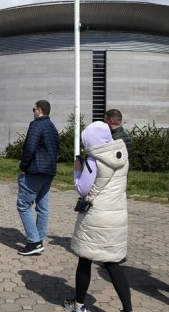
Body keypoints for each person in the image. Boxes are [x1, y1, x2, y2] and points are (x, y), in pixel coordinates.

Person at [63, 121, 132, 312]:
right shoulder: (121, 154)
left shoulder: (94, 160)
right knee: (112, 263)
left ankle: (78, 305)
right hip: (117, 215)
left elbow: (82, 188)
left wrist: (78, 169)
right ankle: (128, 308)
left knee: (85, 259)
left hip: (96, 217)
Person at [17, 100, 59, 256]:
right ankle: (40, 238)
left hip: (35, 171)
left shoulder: (36, 125)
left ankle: (34, 242)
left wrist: (23, 166)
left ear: (39, 110)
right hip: (49, 171)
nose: (33, 111)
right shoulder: (52, 127)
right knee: (43, 207)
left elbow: (29, 147)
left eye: (33, 109)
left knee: (23, 205)